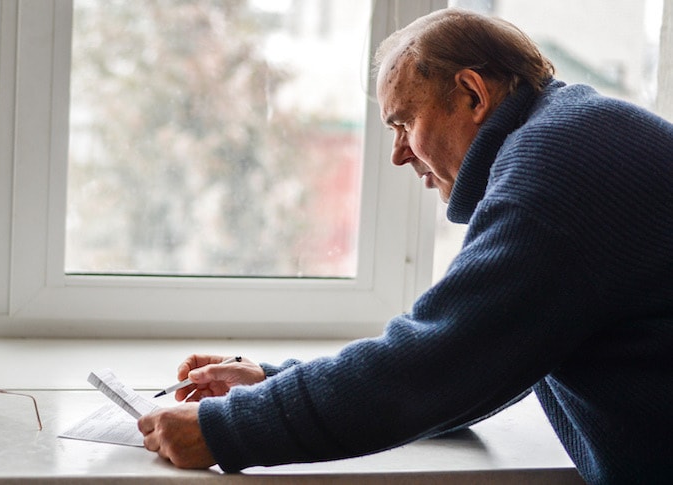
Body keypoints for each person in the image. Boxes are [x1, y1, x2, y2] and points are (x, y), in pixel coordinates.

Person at [137, 8, 673, 484]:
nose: (398, 154)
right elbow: (487, 355)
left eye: (404, 122)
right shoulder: (571, 134)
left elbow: (437, 364)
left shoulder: (553, 171)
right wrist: (272, 382)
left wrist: (227, 429)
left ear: (472, 94)